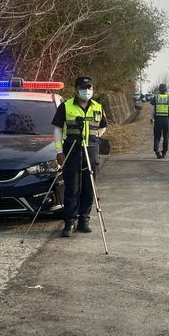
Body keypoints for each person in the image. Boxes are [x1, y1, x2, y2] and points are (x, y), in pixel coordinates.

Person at [52, 76, 107, 237]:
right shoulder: (66, 106)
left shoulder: (98, 107)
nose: (87, 91)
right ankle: (69, 222)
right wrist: (59, 151)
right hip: (71, 151)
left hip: (91, 152)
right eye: (84, 88)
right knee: (72, 189)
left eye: (90, 87)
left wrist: (94, 138)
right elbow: (57, 129)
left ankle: (84, 220)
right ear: (77, 89)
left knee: (89, 189)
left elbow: (103, 126)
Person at [151, 83, 169, 159]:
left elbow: (152, 110)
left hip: (158, 119)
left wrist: (151, 118)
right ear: (166, 90)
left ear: (159, 89)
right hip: (166, 120)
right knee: (166, 137)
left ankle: (157, 152)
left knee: (157, 137)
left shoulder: (156, 97)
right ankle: (164, 152)